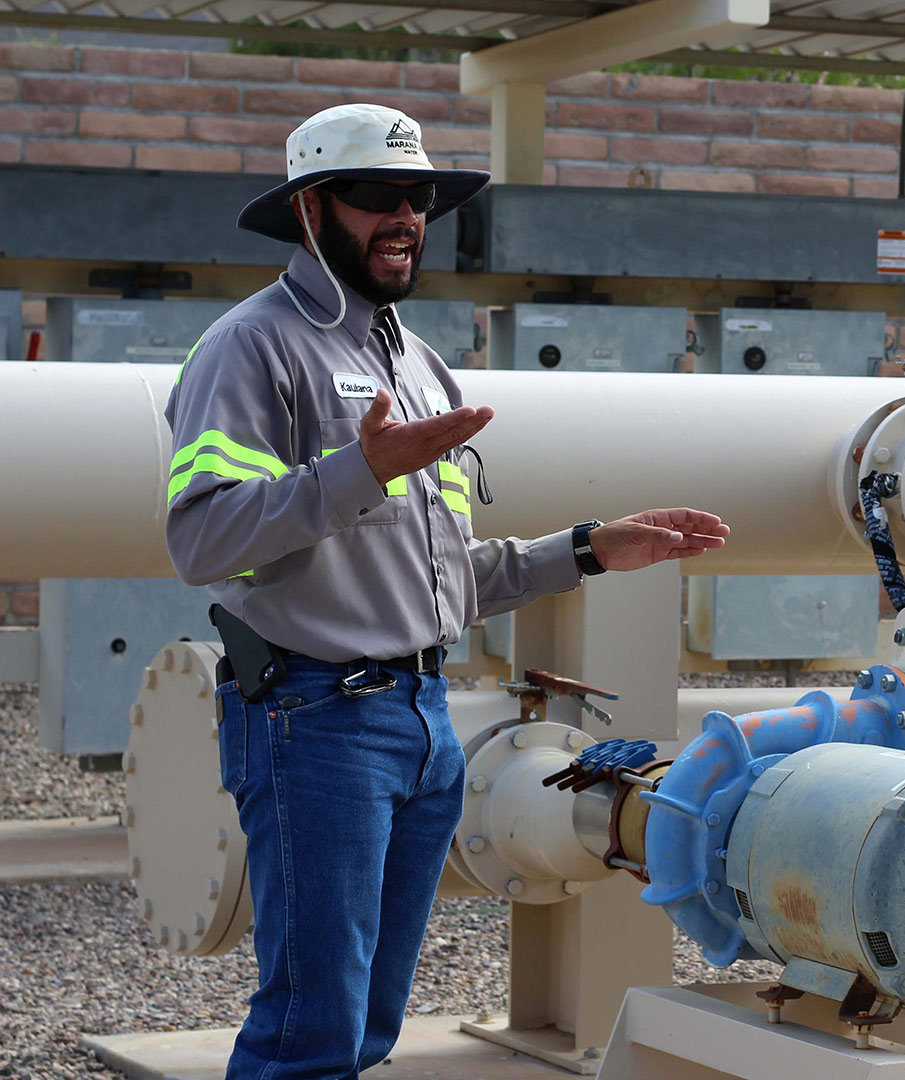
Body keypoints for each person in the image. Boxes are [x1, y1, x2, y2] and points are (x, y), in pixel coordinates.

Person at [163, 103, 729, 1079]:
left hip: (422, 719)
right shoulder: (251, 350)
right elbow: (204, 536)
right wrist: (356, 472)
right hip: (316, 718)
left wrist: (591, 550)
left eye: (420, 198)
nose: (406, 217)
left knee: (371, 1019)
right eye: (377, 196)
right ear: (310, 209)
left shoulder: (417, 366)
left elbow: (444, 578)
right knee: (311, 1025)